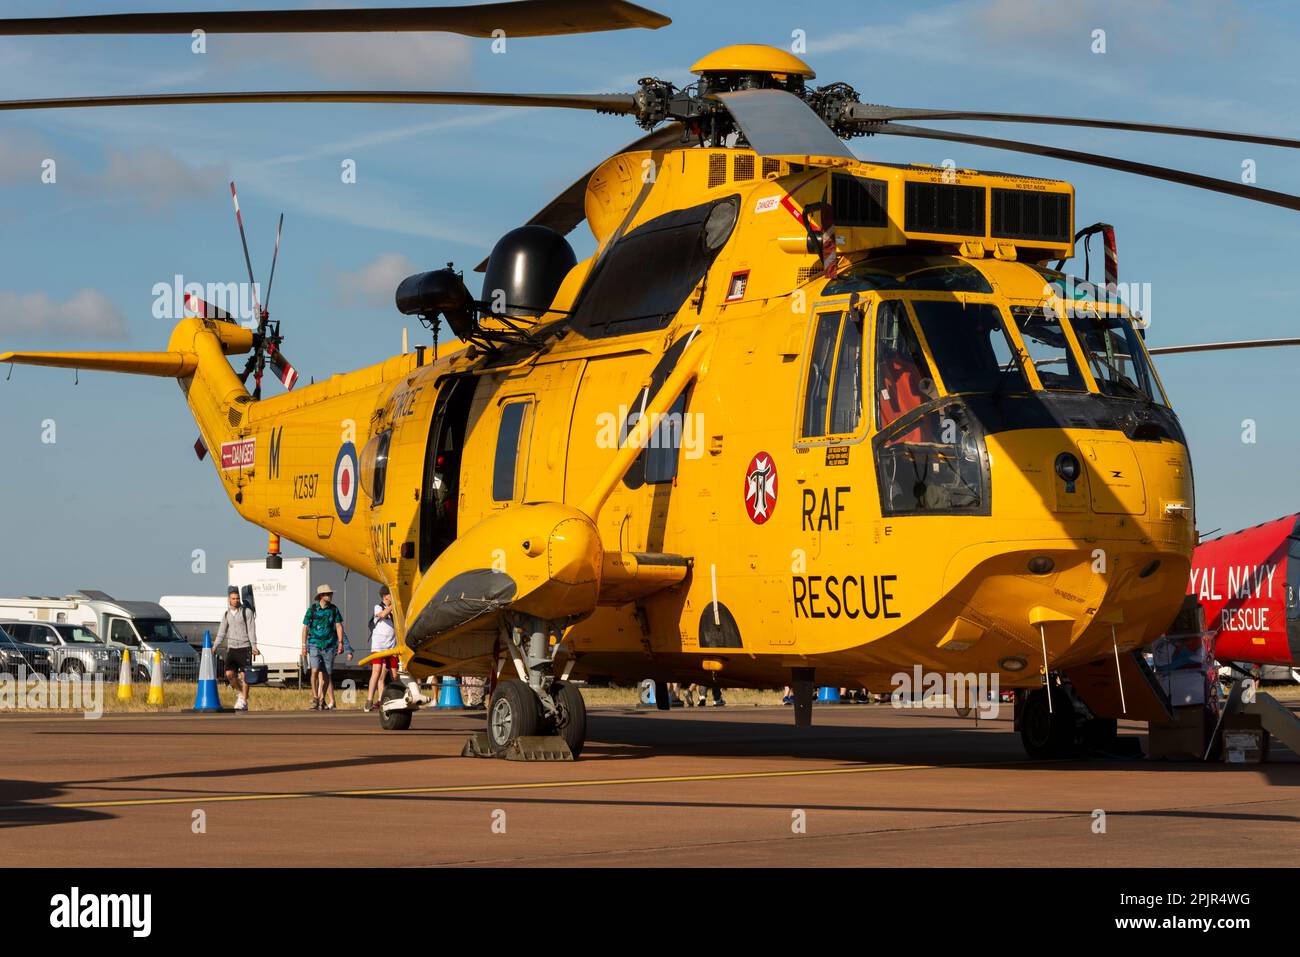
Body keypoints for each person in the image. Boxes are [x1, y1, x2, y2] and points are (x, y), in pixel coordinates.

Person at [215, 586, 259, 712]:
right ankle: (241, 694)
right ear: (229, 600)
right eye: (233, 598)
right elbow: (221, 631)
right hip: (232, 648)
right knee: (229, 675)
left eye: (238, 598)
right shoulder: (226, 614)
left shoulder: (247, 612)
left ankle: (244, 701)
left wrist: (254, 646)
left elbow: (251, 631)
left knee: (245, 676)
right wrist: (215, 646)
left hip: (245, 647)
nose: (236, 600)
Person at [301, 584, 344, 711]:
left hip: (330, 646)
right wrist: (303, 645)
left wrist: (340, 642)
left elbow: (339, 626)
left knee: (326, 674)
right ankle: (315, 697)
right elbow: (305, 628)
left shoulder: (334, 609)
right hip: (314, 644)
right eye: (327, 594)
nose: (330, 596)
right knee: (314, 670)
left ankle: (322, 699)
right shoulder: (312, 609)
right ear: (321, 596)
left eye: (330, 594)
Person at [365, 585, 398, 712]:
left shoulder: (394, 610)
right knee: (377, 671)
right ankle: (369, 700)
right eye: (391, 595)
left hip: (391, 646)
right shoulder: (378, 606)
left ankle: (385, 700)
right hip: (379, 646)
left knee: (394, 675)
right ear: (385, 596)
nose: (392, 597)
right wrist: (392, 606)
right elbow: (383, 615)